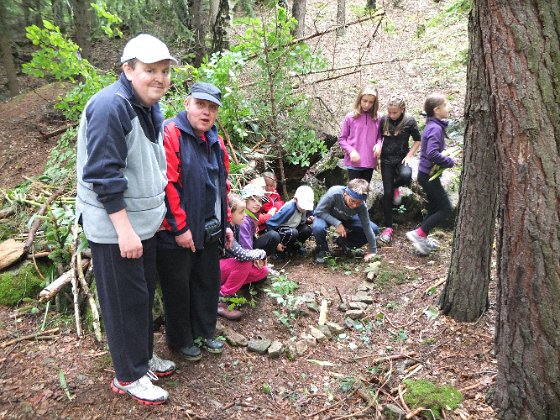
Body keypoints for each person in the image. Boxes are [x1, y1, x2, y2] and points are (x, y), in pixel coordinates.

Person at [76, 34, 176, 405]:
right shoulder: (110, 107)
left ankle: (141, 358)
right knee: (124, 303)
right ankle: (128, 375)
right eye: (150, 70)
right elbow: (103, 175)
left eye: (164, 71)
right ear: (128, 69)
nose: (160, 78)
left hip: (142, 224)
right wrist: (124, 231)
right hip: (118, 229)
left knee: (141, 297)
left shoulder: (147, 105)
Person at [156, 81, 232, 362]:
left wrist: (226, 224)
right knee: (178, 287)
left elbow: (221, 185)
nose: (206, 112)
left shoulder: (216, 141)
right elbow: (167, 184)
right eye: (200, 105)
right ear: (187, 103)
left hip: (209, 227)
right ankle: (181, 340)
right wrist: (180, 228)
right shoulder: (170, 133)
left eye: (212, 107)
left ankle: (205, 332)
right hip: (176, 231)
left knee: (207, 282)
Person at [406, 93, 454, 255]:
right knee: (445, 208)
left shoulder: (434, 125)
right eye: (446, 105)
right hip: (428, 176)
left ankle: (422, 237)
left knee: (434, 207)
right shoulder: (435, 128)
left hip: (426, 174)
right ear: (437, 110)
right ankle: (419, 234)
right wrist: (448, 161)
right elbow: (432, 153)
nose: (449, 107)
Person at [376, 94, 421, 244]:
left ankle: (395, 186)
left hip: (402, 158)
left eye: (395, 112)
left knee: (406, 176)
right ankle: (388, 227)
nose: (392, 115)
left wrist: (409, 156)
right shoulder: (384, 119)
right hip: (386, 160)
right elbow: (378, 137)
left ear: (402, 109)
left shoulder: (409, 121)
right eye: (389, 112)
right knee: (388, 193)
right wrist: (377, 150)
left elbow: (418, 140)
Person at [218, 193, 268, 320]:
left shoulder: (236, 226)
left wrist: (254, 258)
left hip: (228, 266)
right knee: (245, 263)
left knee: (262, 271)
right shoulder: (225, 230)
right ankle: (221, 298)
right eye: (241, 212)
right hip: (215, 268)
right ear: (230, 213)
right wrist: (260, 253)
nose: (244, 215)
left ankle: (231, 286)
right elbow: (241, 254)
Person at [312, 178, 379, 264]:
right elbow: (318, 211)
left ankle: (345, 243)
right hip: (326, 215)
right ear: (346, 193)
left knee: (374, 229)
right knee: (318, 227)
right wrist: (337, 223)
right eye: (352, 201)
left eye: (358, 203)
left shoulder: (362, 206)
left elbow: (367, 227)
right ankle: (322, 250)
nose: (354, 205)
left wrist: (372, 251)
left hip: (346, 218)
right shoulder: (334, 193)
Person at [338, 85, 382, 183]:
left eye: (371, 102)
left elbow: (379, 137)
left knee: (364, 190)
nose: (367, 104)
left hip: (370, 162)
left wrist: (379, 145)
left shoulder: (378, 118)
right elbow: (342, 139)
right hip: (354, 163)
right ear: (359, 100)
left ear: (375, 103)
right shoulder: (350, 117)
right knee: (354, 190)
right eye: (364, 101)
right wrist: (351, 151)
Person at [266, 185, 315, 257]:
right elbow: (270, 223)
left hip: (292, 229)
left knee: (307, 229)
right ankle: (279, 252)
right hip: (282, 232)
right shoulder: (289, 209)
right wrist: (276, 243)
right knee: (293, 232)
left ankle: (294, 248)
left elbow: (301, 222)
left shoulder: (303, 210)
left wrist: (308, 220)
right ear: (295, 200)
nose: (304, 209)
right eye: (303, 206)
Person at [239, 183, 282, 256]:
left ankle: (264, 259)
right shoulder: (243, 219)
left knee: (273, 236)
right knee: (273, 235)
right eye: (253, 200)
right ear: (245, 200)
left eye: (259, 200)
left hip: (250, 244)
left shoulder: (254, 214)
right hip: (244, 251)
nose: (257, 203)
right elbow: (245, 245)